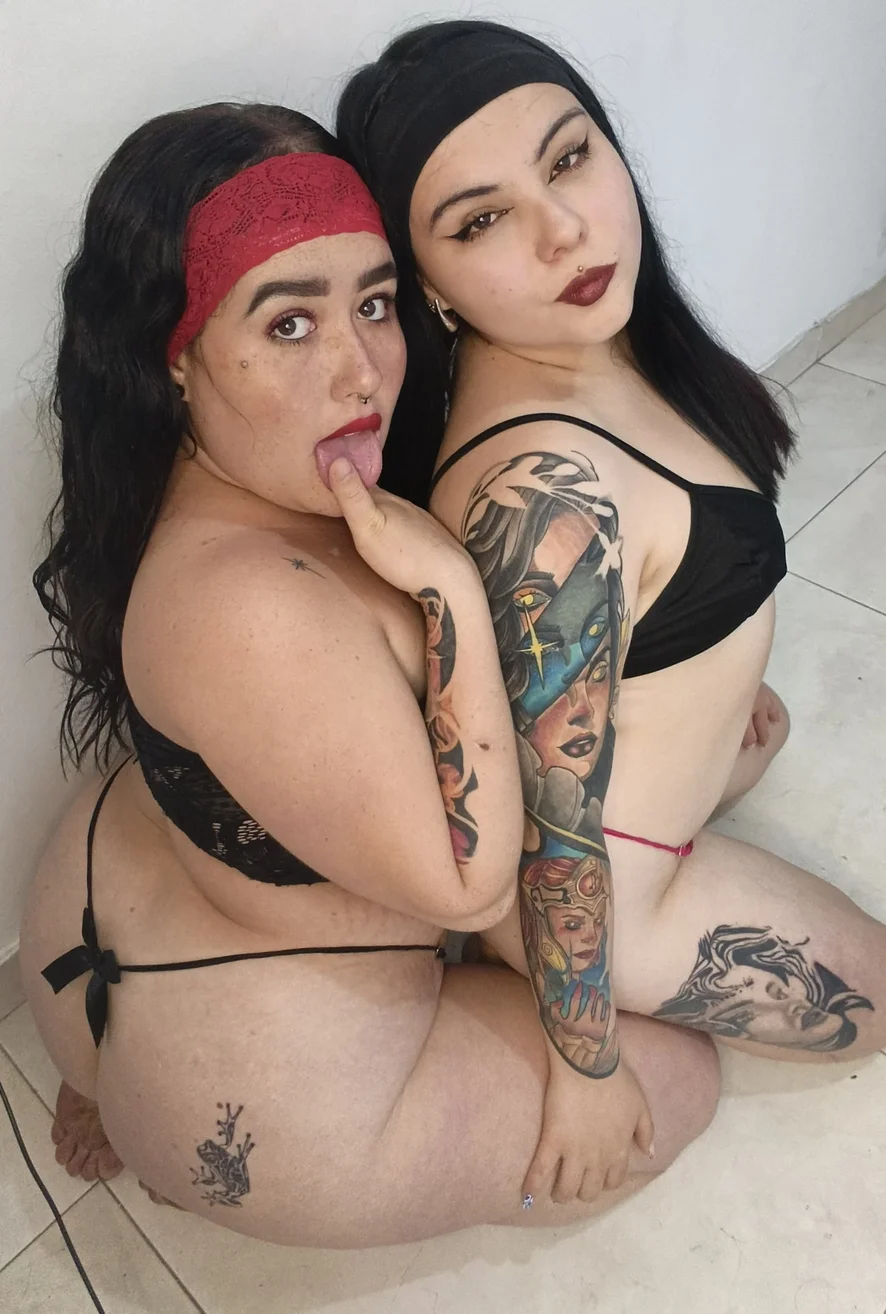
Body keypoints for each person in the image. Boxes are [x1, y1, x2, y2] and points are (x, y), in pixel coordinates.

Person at [20, 101, 718, 1247]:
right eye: (290, 323)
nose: (361, 373)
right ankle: (146, 1123)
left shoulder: (213, 487)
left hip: (100, 961)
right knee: (683, 1075)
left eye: (376, 303)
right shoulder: (252, 607)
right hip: (265, 1123)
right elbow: (472, 892)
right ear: (174, 356)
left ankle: (108, 1091)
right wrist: (448, 590)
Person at [336, 18, 886, 1204]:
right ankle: (505, 982)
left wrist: (705, 681)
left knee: (768, 730)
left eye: (570, 157)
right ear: (423, 283)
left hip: (638, 811)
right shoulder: (548, 497)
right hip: (610, 894)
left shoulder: (599, 342)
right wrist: (582, 1067)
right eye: (479, 222)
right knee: (875, 1007)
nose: (564, 231)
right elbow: (556, 842)